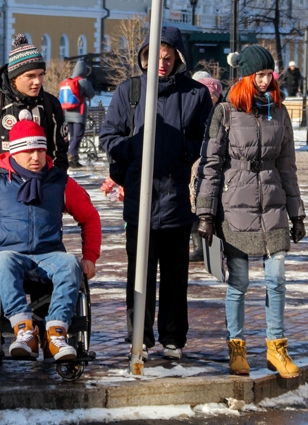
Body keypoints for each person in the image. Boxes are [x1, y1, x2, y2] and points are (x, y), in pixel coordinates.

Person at [0, 118, 101, 362]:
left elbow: (90, 217)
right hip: (7, 253)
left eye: (40, 150)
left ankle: (56, 333)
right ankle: (24, 331)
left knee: (70, 264)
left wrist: (90, 256)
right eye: (28, 151)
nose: (36, 157)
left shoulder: (59, 182)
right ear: (14, 152)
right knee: (4, 262)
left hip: (48, 254)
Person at [100, 26, 213, 361]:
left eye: (168, 57)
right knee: (140, 273)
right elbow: (109, 135)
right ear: (144, 56)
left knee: (176, 275)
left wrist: (179, 149)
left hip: (177, 198)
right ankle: (140, 336)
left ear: (178, 57)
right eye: (154, 57)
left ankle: (174, 337)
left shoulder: (195, 94)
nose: (161, 64)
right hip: (140, 199)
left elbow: (206, 141)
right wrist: (133, 150)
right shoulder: (130, 91)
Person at [196, 45, 306, 378]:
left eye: (267, 74)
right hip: (235, 209)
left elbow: (288, 166)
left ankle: (276, 347)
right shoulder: (225, 112)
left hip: (272, 205)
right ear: (245, 75)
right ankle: (237, 347)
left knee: (277, 278)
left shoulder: (280, 112)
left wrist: (297, 213)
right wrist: (205, 212)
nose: (264, 80)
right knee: (239, 282)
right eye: (258, 74)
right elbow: (211, 164)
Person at [0, 33, 69, 188]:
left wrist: (55, 185)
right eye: (30, 76)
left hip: (41, 190)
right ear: (14, 77)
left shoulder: (51, 105)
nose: (37, 81)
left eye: (41, 75)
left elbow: (60, 152)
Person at [189, 77, 223, 262]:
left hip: (214, 167)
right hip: (194, 168)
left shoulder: (222, 112)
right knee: (196, 208)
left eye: (211, 95)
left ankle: (213, 248)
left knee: (213, 209)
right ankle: (198, 247)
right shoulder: (193, 110)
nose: (208, 98)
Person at [62, 60, 96, 168]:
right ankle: (70, 157)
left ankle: (73, 160)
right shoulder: (83, 82)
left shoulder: (66, 81)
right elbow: (92, 94)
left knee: (73, 137)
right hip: (78, 115)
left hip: (68, 114)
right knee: (77, 136)